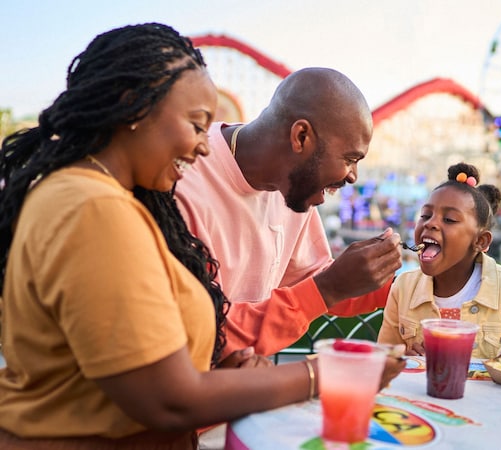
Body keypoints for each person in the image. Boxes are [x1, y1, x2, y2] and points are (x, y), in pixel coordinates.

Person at [0, 23, 403, 449]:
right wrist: (328, 374)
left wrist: (221, 374)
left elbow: (169, 352)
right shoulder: (94, 207)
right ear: (133, 109)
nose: (205, 147)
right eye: (196, 125)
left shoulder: (116, 200)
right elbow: (167, 399)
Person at [173, 67, 403, 358]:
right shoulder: (183, 183)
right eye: (350, 158)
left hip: (245, 384)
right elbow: (202, 337)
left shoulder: (294, 186)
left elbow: (310, 279)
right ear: (301, 136)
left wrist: (406, 286)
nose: (353, 177)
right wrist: (327, 288)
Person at [378, 163, 501, 362]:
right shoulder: (403, 287)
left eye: (450, 219)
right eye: (426, 215)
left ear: (481, 241)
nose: (430, 223)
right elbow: (384, 359)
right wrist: (404, 361)